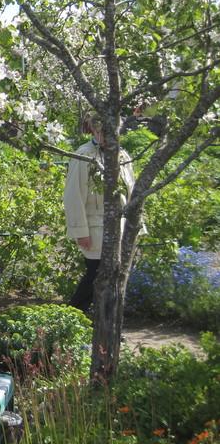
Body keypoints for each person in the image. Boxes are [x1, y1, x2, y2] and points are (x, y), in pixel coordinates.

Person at [63, 113, 136, 312]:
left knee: (114, 281)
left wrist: (136, 229)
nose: (106, 135)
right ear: (94, 130)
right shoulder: (84, 155)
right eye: (102, 131)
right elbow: (73, 196)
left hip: (120, 229)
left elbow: (132, 193)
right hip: (95, 231)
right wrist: (80, 231)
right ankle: (72, 316)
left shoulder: (123, 155)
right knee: (95, 277)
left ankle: (103, 323)